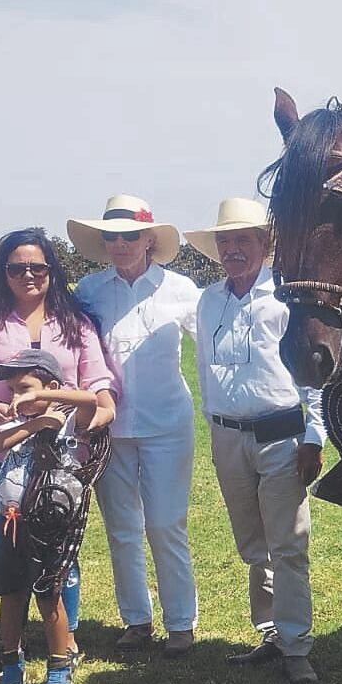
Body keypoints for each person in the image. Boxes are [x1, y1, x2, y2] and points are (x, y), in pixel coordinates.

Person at [184, 198, 325, 684]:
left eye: (244, 239)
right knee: (252, 545)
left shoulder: (287, 299)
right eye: (225, 241)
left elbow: (313, 374)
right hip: (227, 436)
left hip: (281, 435)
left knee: (288, 544)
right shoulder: (208, 301)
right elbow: (204, 365)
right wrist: (212, 419)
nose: (233, 249)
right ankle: (271, 633)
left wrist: (315, 434)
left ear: (266, 245)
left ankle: (296, 645)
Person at [0, 229, 117, 644]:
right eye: (16, 268)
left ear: (51, 270)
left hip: (64, 458)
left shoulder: (75, 323)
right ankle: (14, 637)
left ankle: (66, 638)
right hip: (3, 456)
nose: (28, 275)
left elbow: (97, 380)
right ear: (3, 272)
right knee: (8, 544)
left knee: (61, 545)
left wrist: (103, 409)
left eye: (37, 267)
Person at [68, 195, 201, 657]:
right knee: (122, 527)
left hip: (168, 424)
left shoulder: (180, 288)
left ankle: (181, 623)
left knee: (166, 524)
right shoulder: (89, 290)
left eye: (130, 236)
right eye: (112, 236)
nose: (121, 244)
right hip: (108, 428)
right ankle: (137, 621)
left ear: (149, 239)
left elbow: (211, 343)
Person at [0, 349, 108, 684]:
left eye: (23, 387)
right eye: (12, 390)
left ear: (51, 387)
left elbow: (89, 398)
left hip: (47, 527)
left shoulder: (70, 420)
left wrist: (44, 399)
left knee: (48, 592)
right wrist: (35, 422)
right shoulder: (19, 423)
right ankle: (12, 661)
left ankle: (59, 663)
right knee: (9, 594)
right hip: (10, 523)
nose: (17, 397)